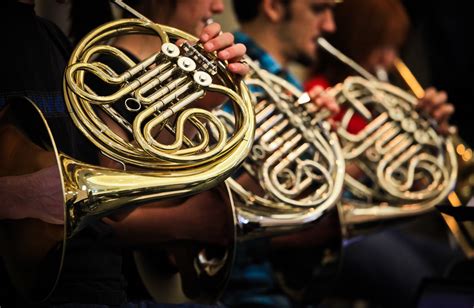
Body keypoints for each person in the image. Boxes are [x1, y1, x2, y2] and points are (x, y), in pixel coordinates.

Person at [1, 0, 249, 307]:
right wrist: (21, 195)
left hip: (102, 286)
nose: (219, 4)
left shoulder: (48, 37)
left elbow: (112, 199)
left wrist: (194, 103)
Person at [304, 0, 464, 307]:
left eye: (395, 48)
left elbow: (415, 187)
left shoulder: (375, 103)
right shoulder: (321, 94)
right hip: (333, 237)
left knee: (456, 268)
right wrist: (378, 151)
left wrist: (430, 142)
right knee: (430, 291)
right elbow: (319, 182)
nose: (390, 60)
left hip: (374, 228)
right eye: (384, 47)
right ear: (358, 39)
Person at [220, 1, 342, 306]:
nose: (330, 26)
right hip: (240, 287)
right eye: (318, 9)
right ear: (273, 7)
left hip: (279, 282)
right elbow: (223, 207)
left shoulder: (290, 86)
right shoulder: (231, 76)